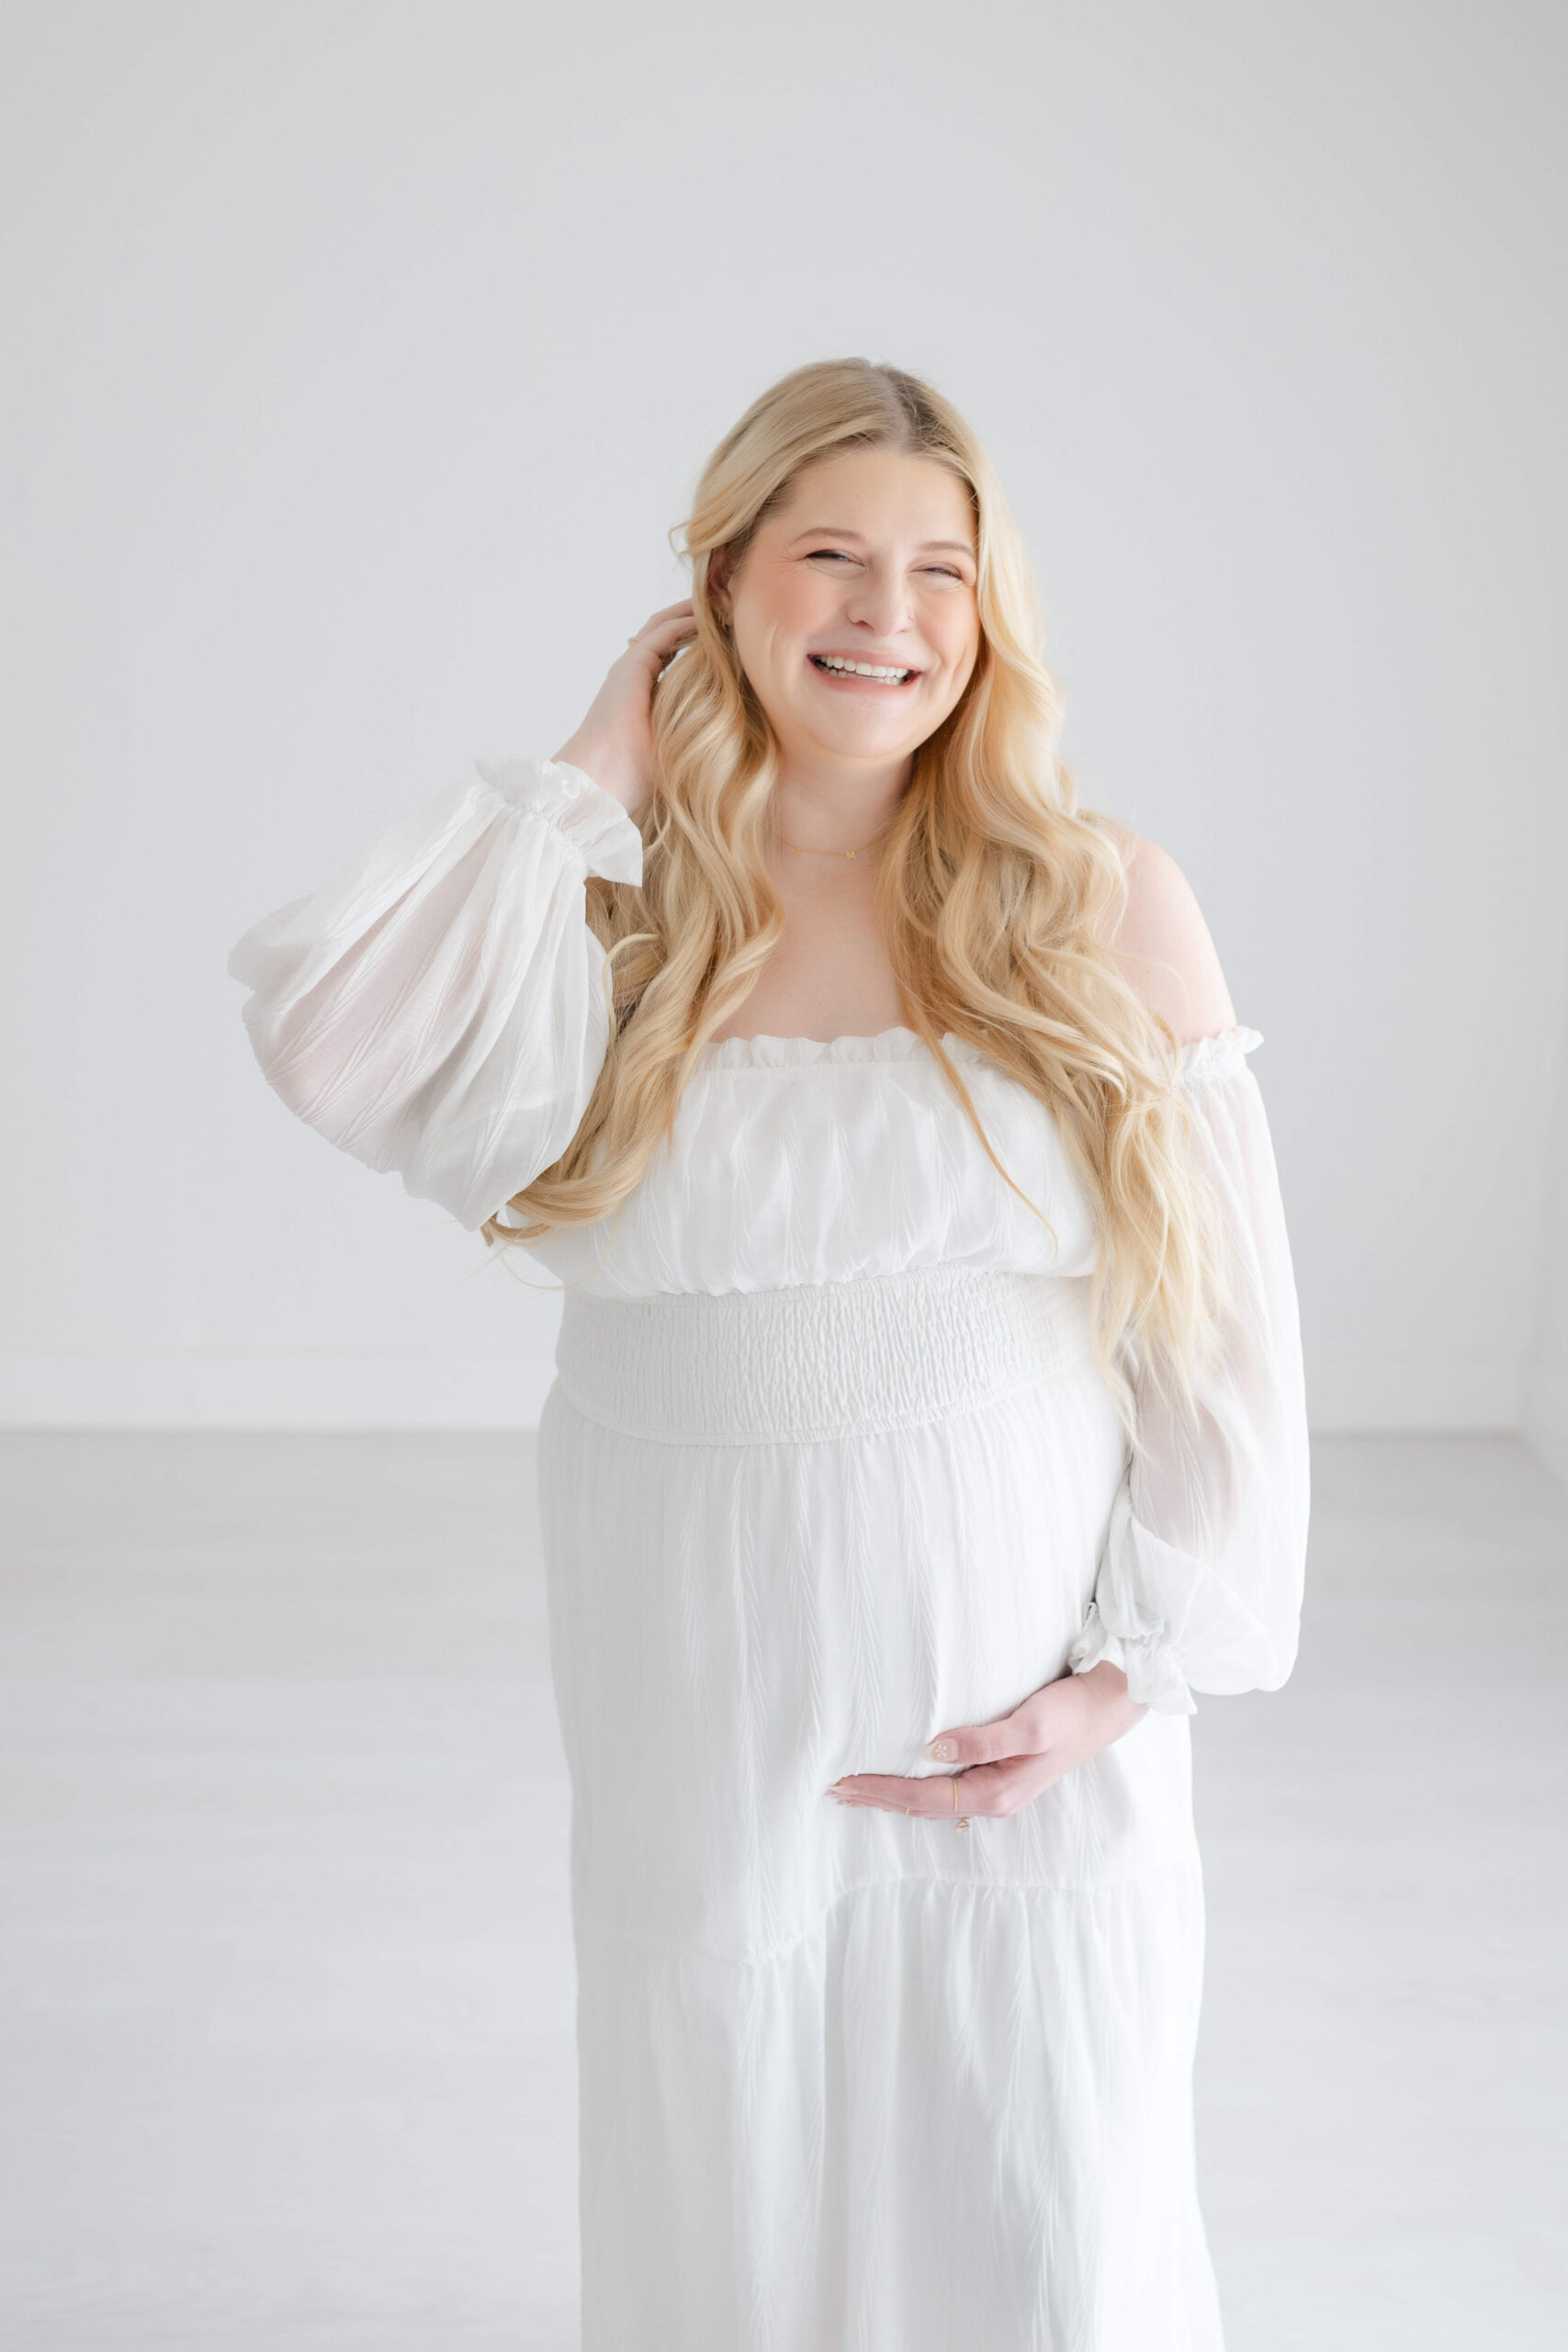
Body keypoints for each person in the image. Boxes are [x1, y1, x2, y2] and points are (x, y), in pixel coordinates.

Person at [229, 357, 1310, 2351]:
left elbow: (1213, 1325)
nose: (883, 615)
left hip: (997, 1659)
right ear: (715, 586)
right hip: (697, 1664)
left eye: (938, 571)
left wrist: (1129, 1672)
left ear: (989, 619)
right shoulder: (613, 913)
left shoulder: (1083, 899)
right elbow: (331, 1045)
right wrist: (591, 765)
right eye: (826, 556)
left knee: (1034, 2146)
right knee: (737, 2100)